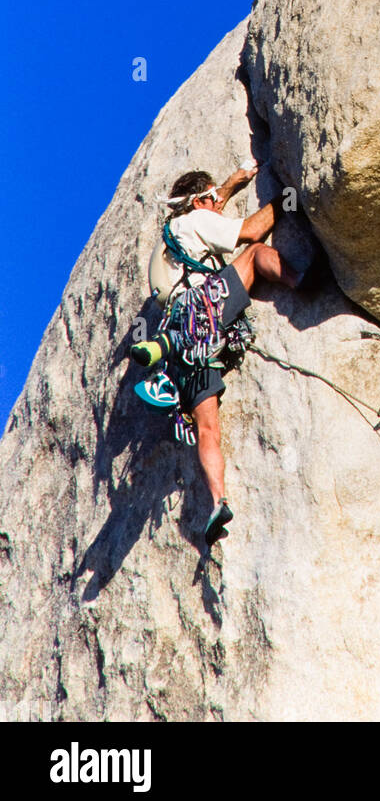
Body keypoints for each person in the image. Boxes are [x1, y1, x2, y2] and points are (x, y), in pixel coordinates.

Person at [134, 162, 310, 545]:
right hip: (205, 311)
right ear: (199, 200)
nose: (219, 204)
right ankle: (304, 280)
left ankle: (218, 501)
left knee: (207, 429)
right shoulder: (195, 219)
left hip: (185, 344)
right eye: (214, 199)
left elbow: (211, 207)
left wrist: (231, 183)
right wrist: (285, 201)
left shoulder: (175, 233)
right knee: (253, 255)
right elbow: (248, 230)